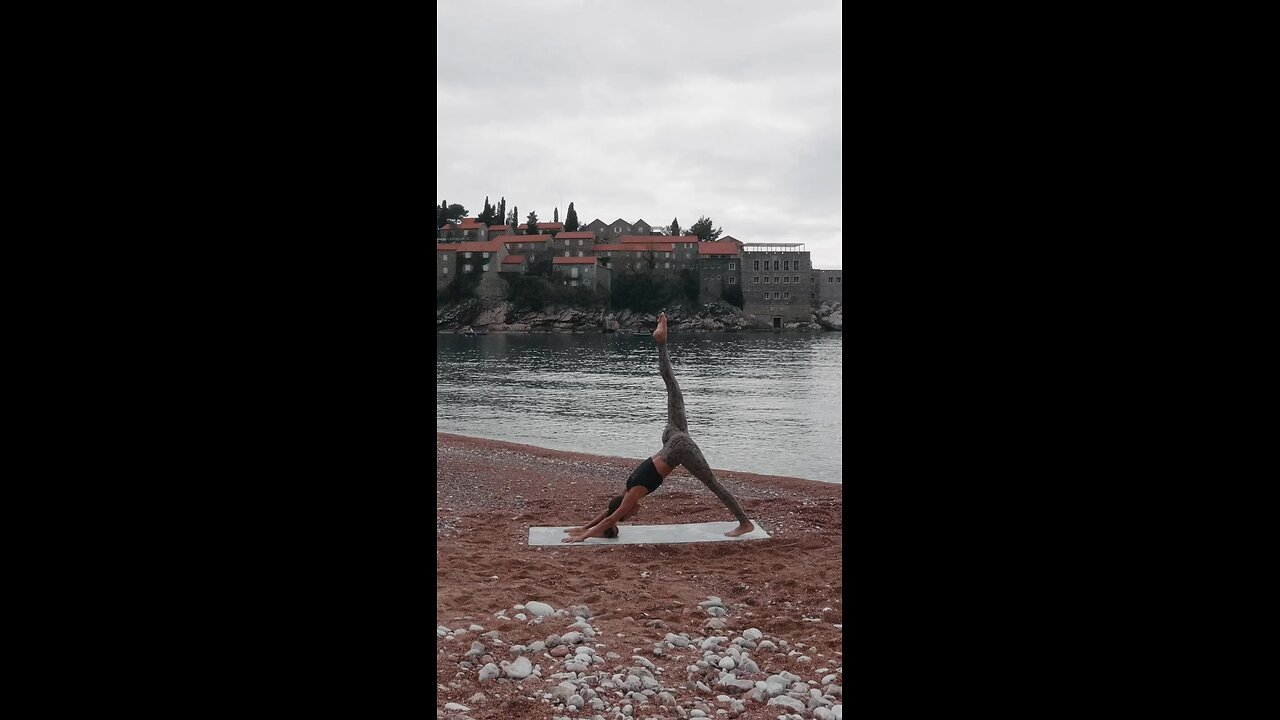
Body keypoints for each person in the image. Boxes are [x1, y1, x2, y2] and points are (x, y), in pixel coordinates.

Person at [562, 312, 755, 543]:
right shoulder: (627, 489)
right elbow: (609, 512)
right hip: (672, 433)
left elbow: (610, 518)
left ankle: (745, 523)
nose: (634, 514)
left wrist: (583, 535)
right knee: (671, 385)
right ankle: (661, 342)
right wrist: (582, 526)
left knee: (712, 483)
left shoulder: (631, 497)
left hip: (679, 447)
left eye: (629, 516)